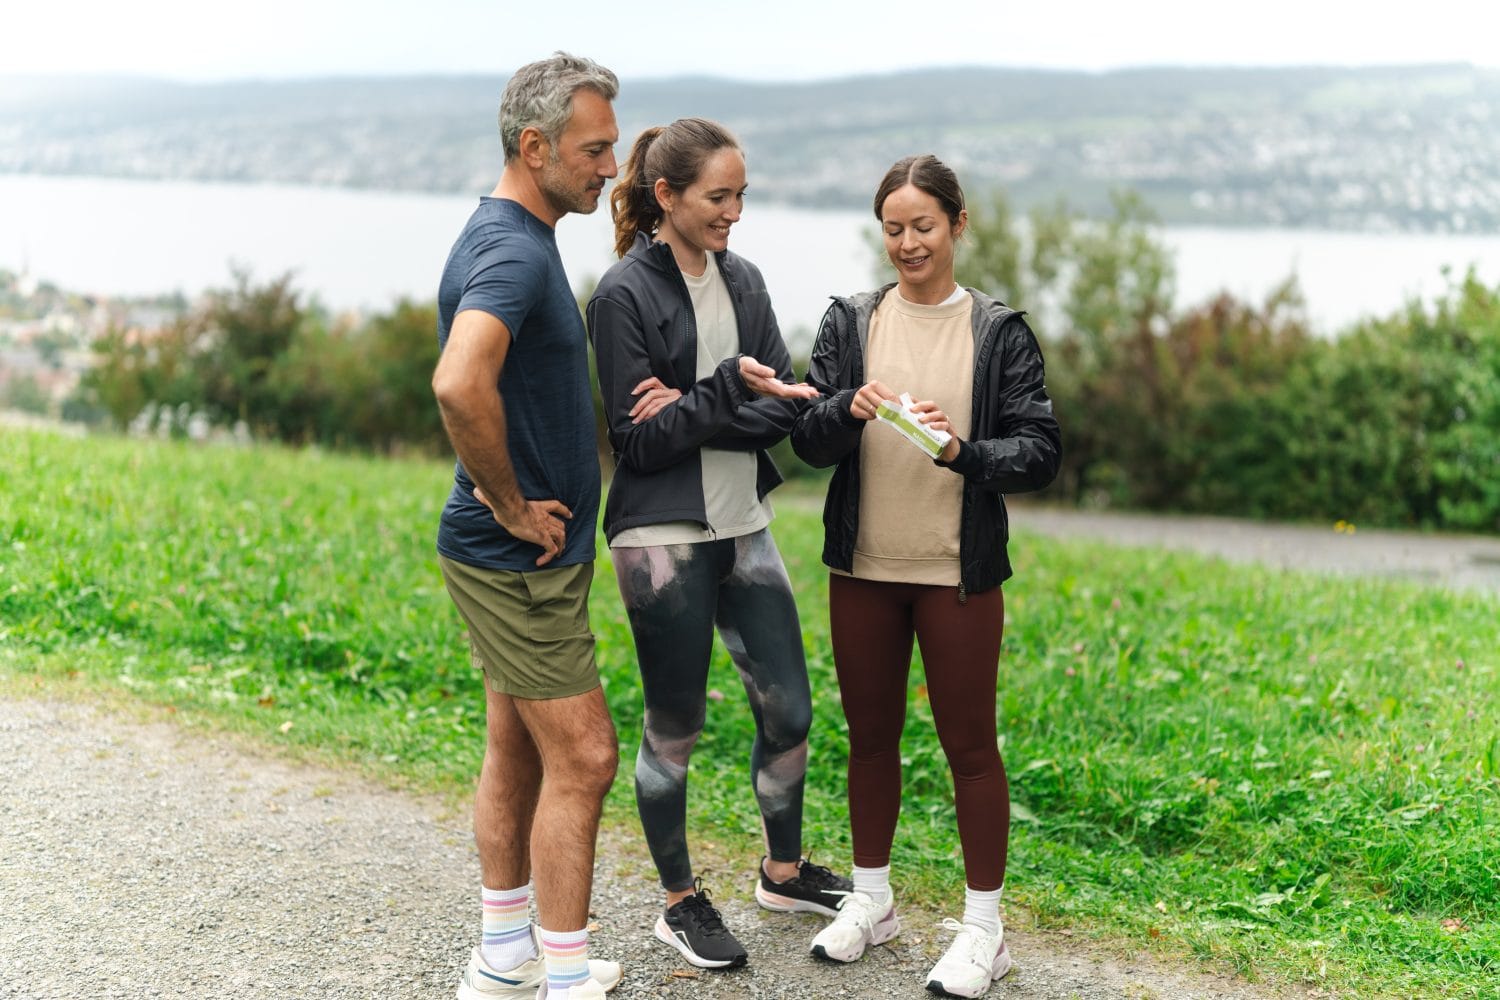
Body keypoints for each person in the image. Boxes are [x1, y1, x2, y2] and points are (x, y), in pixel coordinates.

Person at [789, 154, 1062, 999]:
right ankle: (873, 902)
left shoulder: (997, 330)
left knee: (970, 749)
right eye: (894, 229)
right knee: (869, 741)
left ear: (957, 225)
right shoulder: (852, 320)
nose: (908, 244)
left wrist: (960, 452)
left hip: (956, 574)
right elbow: (807, 442)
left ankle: (986, 930)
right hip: (864, 566)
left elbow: (1040, 451)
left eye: (924, 226)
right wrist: (844, 409)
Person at [586, 117, 849, 972]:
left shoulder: (745, 280)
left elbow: (788, 406)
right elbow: (639, 443)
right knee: (677, 723)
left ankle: (780, 873)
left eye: (741, 196)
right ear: (666, 196)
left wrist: (699, 403)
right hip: (660, 536)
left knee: (791, 710)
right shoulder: (622, 294)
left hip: (745, 524)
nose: (734, 212)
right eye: (717, 197)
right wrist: (729, 392)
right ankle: (677, 903)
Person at [430, 52, 624, 1000]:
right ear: (536, 145)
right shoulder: (511, 249)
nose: (611, 169)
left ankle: (505, 958)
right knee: (586, 757)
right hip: (519, 562)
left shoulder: (512, 231)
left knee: (517, 742)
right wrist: (508, 503)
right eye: (595, 150)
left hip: (513, 558)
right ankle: (567, 976)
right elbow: (459, 381)